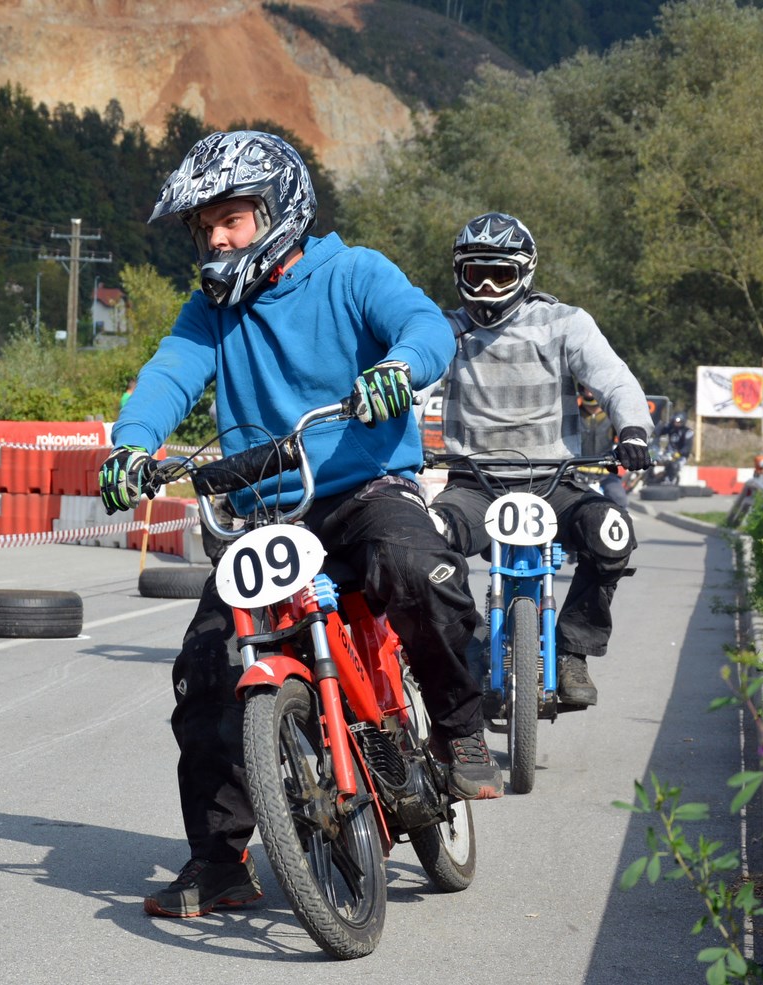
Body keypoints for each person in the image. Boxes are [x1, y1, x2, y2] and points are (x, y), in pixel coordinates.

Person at [98, 130, 498, 921]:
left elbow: (426, 327)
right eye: (205, 225)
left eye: (232, 219)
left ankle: (460, 730)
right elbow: (168, 374)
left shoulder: (353, 272)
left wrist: (397, 369)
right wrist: (132, 444)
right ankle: (220, 863)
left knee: (418, 567)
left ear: (279, 210)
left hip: (365, 489)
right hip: (268, 509)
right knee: (207, 665)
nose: (217, 238)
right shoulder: (210, 310)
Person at [428, 212, 651, 709]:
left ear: (525, 273)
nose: (487, 288)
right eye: (475, 274)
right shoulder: (444, 331)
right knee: (425, 543)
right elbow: (414, 386)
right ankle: (470, 641)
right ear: (459, 274)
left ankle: (572, 649)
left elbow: (615, 380)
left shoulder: (566, 322)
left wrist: (633, 430)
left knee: (613, 533)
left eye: (501, 274)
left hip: (556, 483)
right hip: (473, 487)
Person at [577, 383, 630, 508]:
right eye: (587, 386)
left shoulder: (613, 417)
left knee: (620, 499)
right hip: (575, 473)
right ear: (582, 388)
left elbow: (625, 440)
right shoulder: (573, 415)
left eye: (594, 386)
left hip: (606, 474)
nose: (591, 390)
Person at [655, 412, 694, 483]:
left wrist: (679, 454)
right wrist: (661, 424)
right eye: (675, 421)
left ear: (683, 421)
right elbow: (659, 432)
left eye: (678, 422)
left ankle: (671, 480)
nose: (676, 423)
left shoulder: (687, 432)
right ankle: (651, 477)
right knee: (654, 460)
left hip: (680, 456)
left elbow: (687, 447)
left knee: (674, 466)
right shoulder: (670, 428)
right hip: (668, 453)